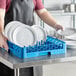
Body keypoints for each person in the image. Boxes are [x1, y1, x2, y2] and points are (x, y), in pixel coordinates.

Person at [0, 0, 63, 76]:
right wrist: (1, 35)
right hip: (11, 46)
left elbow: (42, 12)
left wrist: (55, 24)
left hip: (31, 43)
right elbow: (0, 15)